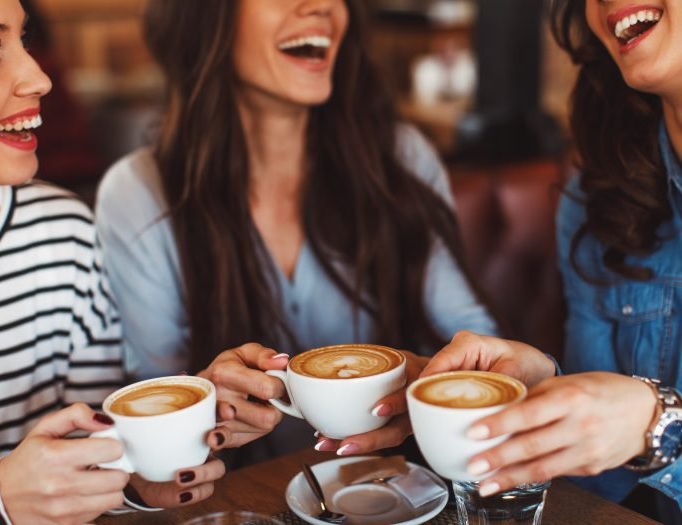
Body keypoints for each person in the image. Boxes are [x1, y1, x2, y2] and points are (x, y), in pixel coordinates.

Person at [95, 0, 497, 468]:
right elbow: (153, 402)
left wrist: (433, 380)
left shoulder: (399, 158)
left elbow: (478, 345)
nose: (325, 6)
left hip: (396, 489)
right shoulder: (137, 193)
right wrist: (205, 396)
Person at [420, 0, 682, 521]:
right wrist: (543, 385)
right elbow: (605, 477)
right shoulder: (598, 196)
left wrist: (658, 425)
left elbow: (638, 425)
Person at [0, 1, 228, 523]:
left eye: (23, 41)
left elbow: (85, 457)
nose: (39, 77)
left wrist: (142, 470)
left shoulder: (62, 231)